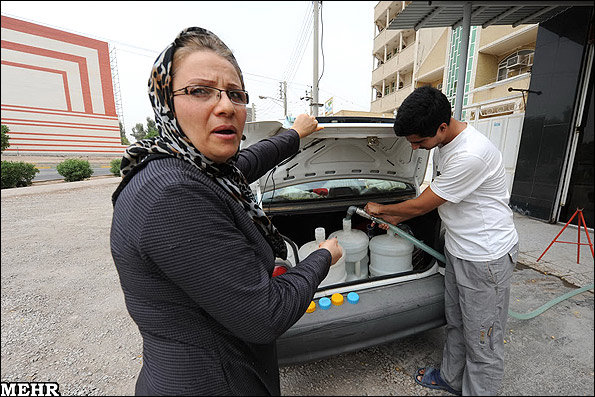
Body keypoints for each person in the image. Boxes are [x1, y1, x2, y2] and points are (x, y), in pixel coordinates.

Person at [110, 27, 343, 396]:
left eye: (235, 94)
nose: (226, 106)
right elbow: (267, 315)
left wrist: (295, 135)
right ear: (165, 100)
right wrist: (321, 257)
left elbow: (246, 162)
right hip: (211, 382)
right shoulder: (173, 196)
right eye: (200, 91)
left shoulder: (188, 165)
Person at [364, 86, 518, 396]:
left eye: (420, 142)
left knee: (483, 342)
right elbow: (436, 195)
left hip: (485, 258)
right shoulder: (445, 142)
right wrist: (396, 218)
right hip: (460, 249)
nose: (417, 149)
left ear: (442, 126)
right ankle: (450, 378)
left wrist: (384, 209)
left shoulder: (471, 152)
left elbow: (423, 205)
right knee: (458, 322)